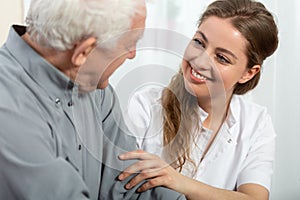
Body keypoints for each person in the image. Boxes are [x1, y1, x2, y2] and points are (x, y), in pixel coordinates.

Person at [0, 0, 186, 199]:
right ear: (84, 52)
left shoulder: (95, 90)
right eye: (129, 44)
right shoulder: (8, 111)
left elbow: (135, 181)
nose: (132, 55)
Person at [118, 0, 279, 199]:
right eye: (199, 43)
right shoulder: (145, 106)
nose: (200, 61)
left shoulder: (257, 124)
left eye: (221, 58)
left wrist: (178, 181)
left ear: (248, 73)